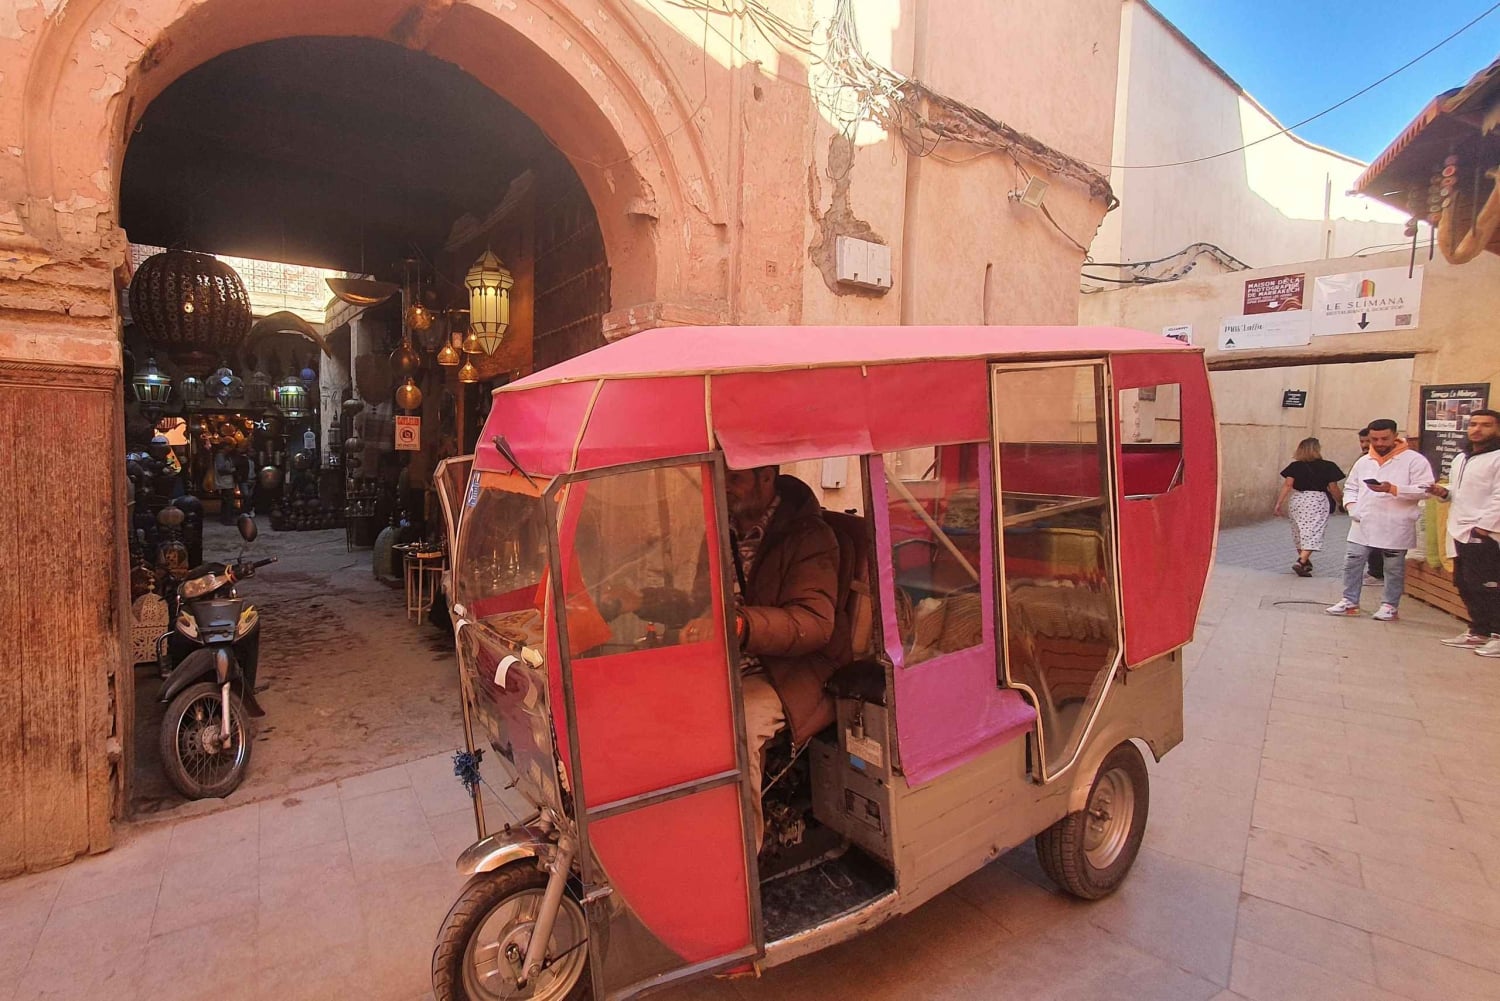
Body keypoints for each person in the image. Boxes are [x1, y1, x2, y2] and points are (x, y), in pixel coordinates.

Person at [610, 466, 842, 850]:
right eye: (721, 477)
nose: (724, 487)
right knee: (648, 694)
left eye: (734, 478)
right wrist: (642, 601)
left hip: (788, 670)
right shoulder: (723, 529)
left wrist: (739, 626)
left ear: (766, 477)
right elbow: (703, 608)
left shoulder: (810, 537)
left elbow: (815, 622)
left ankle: (738, 860)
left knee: (737, 726)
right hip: (728, 659)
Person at [1327, 419, 1434, 620]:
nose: (1379, 443)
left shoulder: (1414, 460)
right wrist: (1352, 507)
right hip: (1363, 521)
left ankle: (1389, 605)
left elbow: (1426, 490)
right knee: (1353, 561)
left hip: (1395, 522)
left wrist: (1393, 489)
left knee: (1393, 567)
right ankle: (1349, 601)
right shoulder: (1364, 461)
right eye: (1374, 439)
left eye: (1384, 438)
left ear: (1395, 435)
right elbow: (1351, 487)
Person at [1426, 410, 1500, 656]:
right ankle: (1479, 631)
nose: (1477, 429)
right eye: (1473, 424)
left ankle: (1497, 634)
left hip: (1485, 533)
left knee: (1489, 585)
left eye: (1486, 425)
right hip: (1459, 530)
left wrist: (1485, 525)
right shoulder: (1462, 458)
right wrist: (1443, 492)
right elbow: (1461, 491)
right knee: (1465, 583)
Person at [1274, 437, 1344, 576]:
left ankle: (1305, 561)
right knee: (1314, 530)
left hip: (1298, 499)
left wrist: (1279, 503)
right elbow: (1333, 487)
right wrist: (1341, 501)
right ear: (1317, 449)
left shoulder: (1295, 466)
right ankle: (1301, 561)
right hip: (1317, 500)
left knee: (1299, 531)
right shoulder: (1328, 466)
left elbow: (1288, 485)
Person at [1357, 427, 1384, 583]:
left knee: (1377, 542)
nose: (1365, 445)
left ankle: (1377, 571)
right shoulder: (1363, 459)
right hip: (1364, 508)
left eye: (1368, 441)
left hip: (1380, 508)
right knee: (1367, 540)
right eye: (1362, 441)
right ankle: (1373, 569)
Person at [212, 444, 238, 525]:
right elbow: (221, 469)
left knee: (226, 501)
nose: (230, 448)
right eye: (228, 446)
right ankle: (227, 519)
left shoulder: (226, 456)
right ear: (224, 447)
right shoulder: (220, 456)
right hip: (225, 483)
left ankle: (225, 518)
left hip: (227, 483)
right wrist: (232, 470)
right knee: (228, 502)